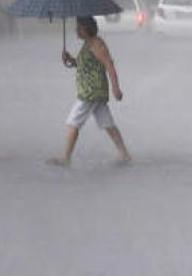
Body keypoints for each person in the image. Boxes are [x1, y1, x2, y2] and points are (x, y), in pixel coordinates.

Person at [49, 15, 132, 167]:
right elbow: (85, 65)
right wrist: (71, 60)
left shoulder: (97, 45)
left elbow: (109, 66)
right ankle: (124, 153)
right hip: (93, 92)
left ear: (86, 28)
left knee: (73, 122)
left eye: (78, 27)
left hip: (90, 92)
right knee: (107, 123)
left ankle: (65, 158)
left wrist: (116, 88)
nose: (76, 30)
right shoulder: (88, 44)